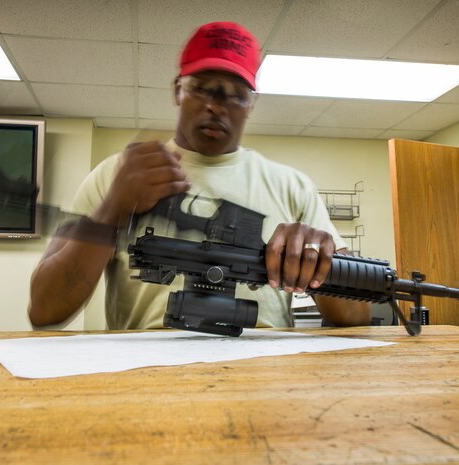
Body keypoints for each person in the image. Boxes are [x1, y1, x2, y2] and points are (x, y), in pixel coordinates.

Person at [28, 21, 371, 330]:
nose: (217, 106)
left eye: (236, 95)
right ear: (178, 89)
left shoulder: (292, 187)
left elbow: (357, 317)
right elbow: (45, 310)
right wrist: (113, 210)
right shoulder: (114, 177)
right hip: (144, 377)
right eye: (203, 88)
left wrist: (318, 264)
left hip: (266, 378)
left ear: (253, 103)